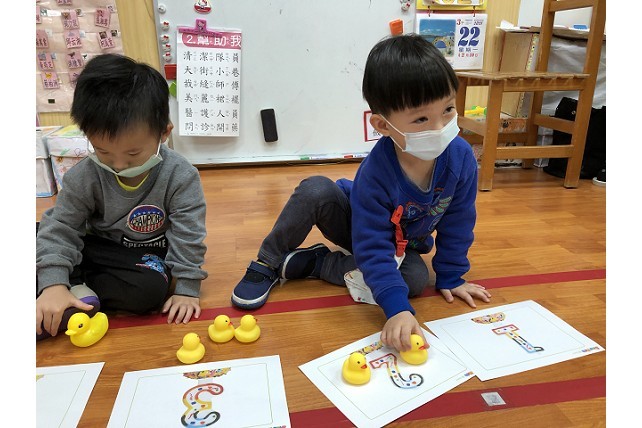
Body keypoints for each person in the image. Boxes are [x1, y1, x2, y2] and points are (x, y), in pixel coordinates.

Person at [231, 34, 490, 352]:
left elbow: (459, 221)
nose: (440, 127)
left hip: (399, 243)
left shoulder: (461, 159)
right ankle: (268, 262)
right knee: (316, 189)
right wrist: (396, 310)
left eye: (448, 109)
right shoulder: (376, 172)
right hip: (355, 222)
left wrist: (451, 276)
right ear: (383, 126)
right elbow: (371, 243)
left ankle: (317, 264)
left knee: (414, 281)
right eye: (421, 118)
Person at [36, 54, 208, 340]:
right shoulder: (84, 176)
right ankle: (60, 286)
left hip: (142, 259)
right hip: (95, 247)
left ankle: (73, 285)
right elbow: (64, 227)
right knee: (49, 233)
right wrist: (53, 283)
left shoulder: (180, 175)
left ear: (164, 133)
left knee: (150, 291)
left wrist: (188, 289)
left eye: (133, 153)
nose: (118, 165)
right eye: (103, 151)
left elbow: (189, 233)